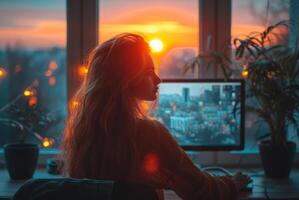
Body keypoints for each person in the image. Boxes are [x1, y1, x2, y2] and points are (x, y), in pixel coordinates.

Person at [62, 33, 251, 200]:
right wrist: (233, 183)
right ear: (126, 81)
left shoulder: (83, 133)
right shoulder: (148, 133)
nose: (158, 80)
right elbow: (203, 192)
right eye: (148, 73)